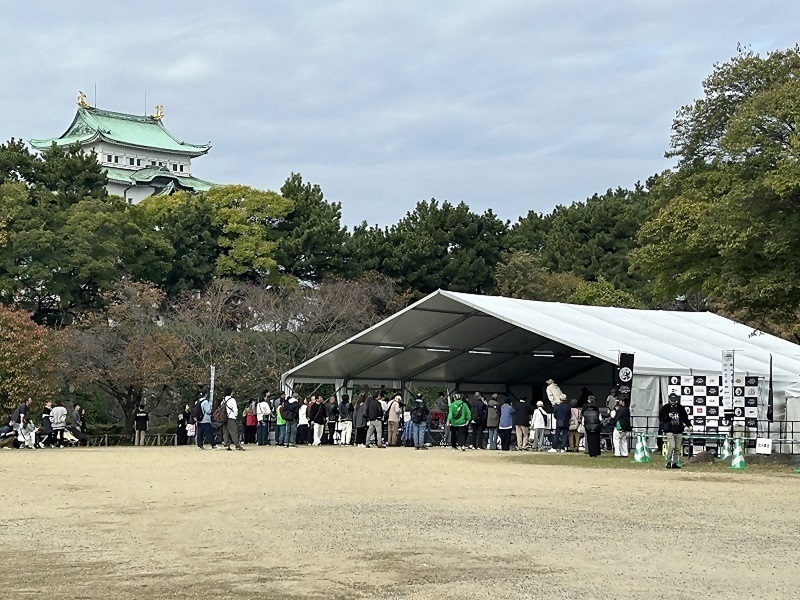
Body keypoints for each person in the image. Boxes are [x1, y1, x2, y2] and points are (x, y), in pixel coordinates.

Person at [660, 393, 691, 469]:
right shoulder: (665, 408)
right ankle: (668, 462)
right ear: (669, 399)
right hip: (669, 430)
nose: (673, 402)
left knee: (677, 448)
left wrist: (689, 425)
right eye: (672, 400)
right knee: (672, 446)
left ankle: (675, 463)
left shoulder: (680, 408)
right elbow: (661, 418)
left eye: (675, 400)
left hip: (678, 430)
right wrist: (668, 416)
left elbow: (685, 418)